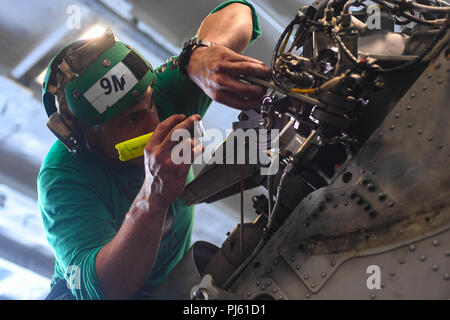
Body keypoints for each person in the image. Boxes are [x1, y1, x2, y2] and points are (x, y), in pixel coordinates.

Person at [38, 0, 270, 299]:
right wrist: (154, 195)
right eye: (132, 119)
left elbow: (240, 11)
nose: (154, 121)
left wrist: (202, 52)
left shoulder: (161, 96)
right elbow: (107, 289)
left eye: (149, 102)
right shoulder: (63, 177)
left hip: (172, 287)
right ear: (90, 140)